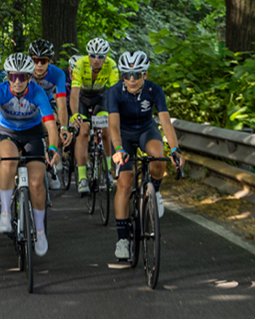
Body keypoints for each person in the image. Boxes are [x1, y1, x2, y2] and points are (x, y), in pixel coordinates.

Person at [108, 51, 181, 260]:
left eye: (137, 74)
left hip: (146, 130)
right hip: (122, 135)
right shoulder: (115, 92)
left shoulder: (154, 90)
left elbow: (165, 122)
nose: (131, 79)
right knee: (124, 182)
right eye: (127, 75)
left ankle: (154, 192)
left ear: (145, 74)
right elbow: (113, 125)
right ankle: (122, 239)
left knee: (158, 157)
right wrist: (118, 149)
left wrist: (175, 149)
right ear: (122, 76)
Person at [0, 53, 59, 257]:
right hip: (7, 131)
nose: (17, 82)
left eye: (22, 77)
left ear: (30, 78)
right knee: (8, 162)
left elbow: (51, 125)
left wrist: (52, 148)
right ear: (8, 77)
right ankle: (6, 213)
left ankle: (40, 231)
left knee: (36, 183)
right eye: (13, 77)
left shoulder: (37, 93)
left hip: (32, 133)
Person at [70, 38, 119, 195]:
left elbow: (115, 92)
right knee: (83, 131)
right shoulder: (80, 64)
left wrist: (115, 114)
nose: (96, 60)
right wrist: (75, 114)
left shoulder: (111, 65)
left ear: (106, 56)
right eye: (93, 56)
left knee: (106, 130)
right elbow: (74, 94)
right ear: (88, 55)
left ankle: (108, 172)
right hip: (83, 99)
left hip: (101, 98)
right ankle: (82, 178)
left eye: (100, 56)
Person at [27, 39, 73, 189]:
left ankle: (50, 166)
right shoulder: (24, 72)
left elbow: (61, 103)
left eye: (43, 60)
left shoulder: (57, 74)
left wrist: (64, 127)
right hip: (27, 104)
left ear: (50, 60)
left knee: (53, 124)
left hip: (47, 102)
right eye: (35, 60)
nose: (39, 65)